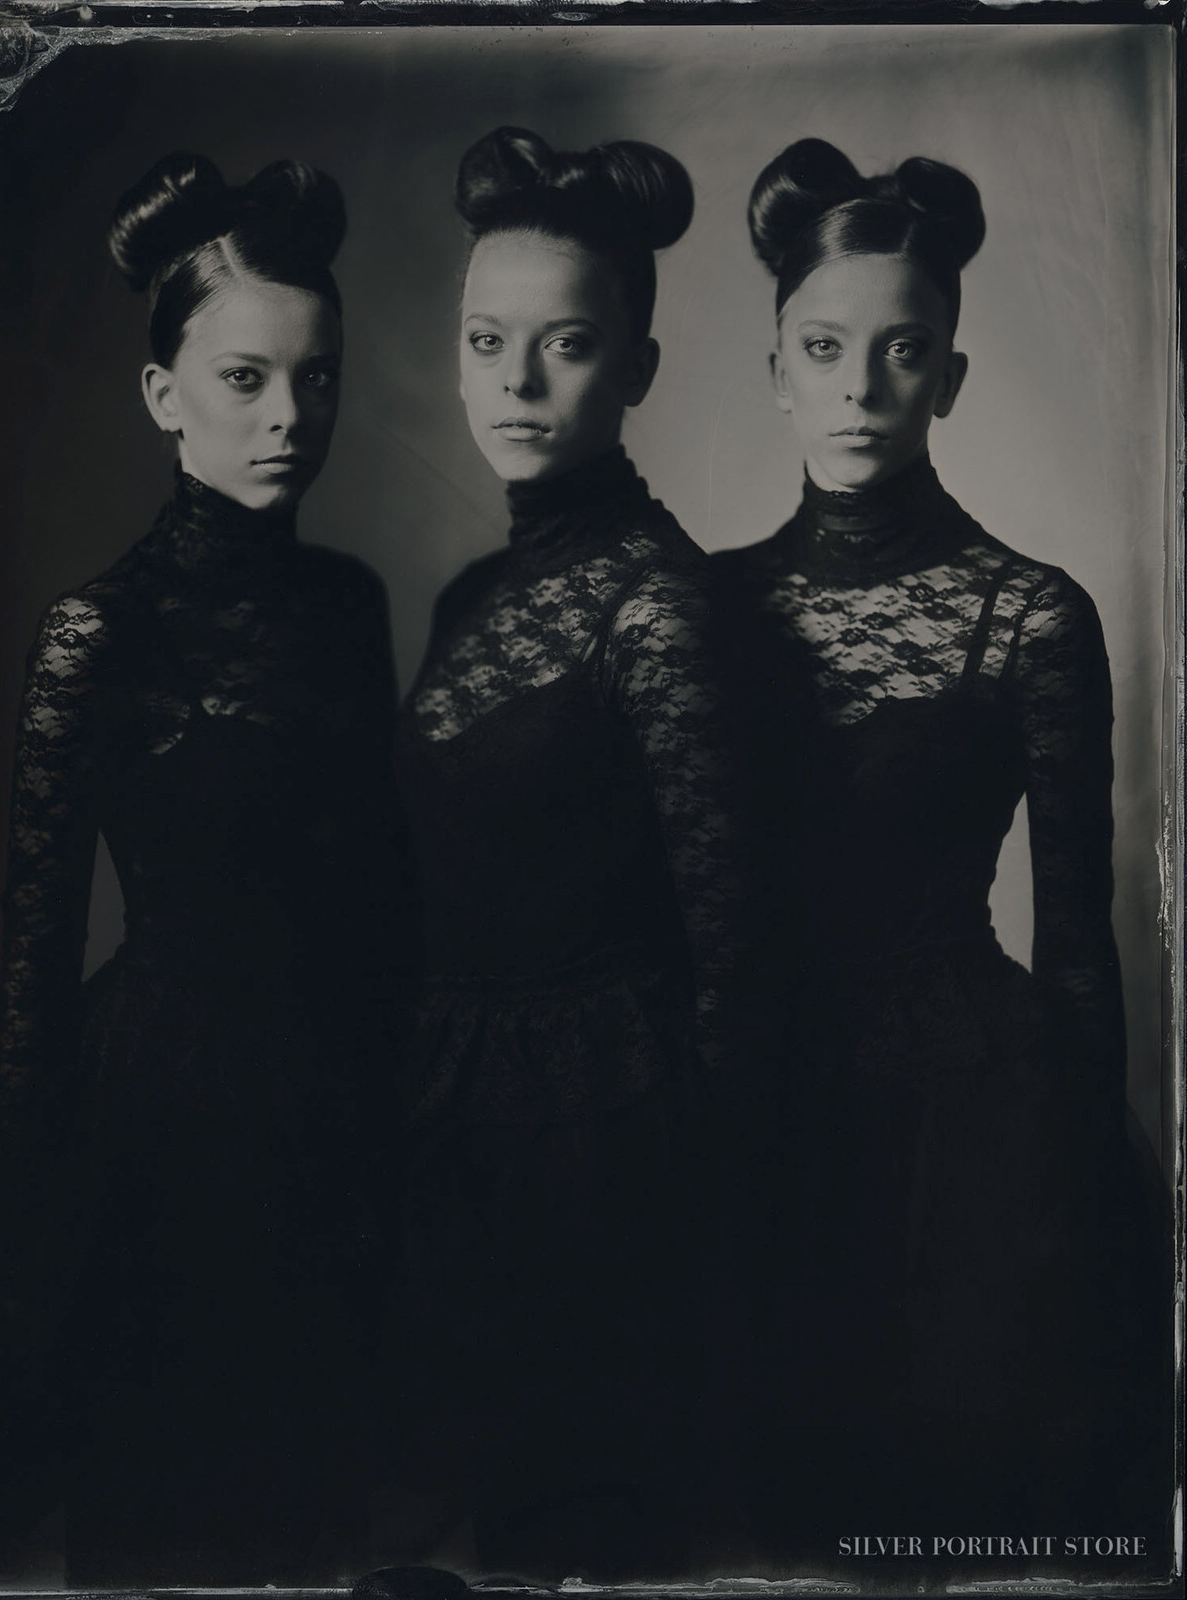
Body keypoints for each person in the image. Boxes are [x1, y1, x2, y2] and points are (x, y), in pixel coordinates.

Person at [712, 138, 1168, 1553]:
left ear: (949, 377)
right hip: (758, 1112)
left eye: (901, 350)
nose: (859, 388)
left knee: (952, 1519)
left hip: (970, 1128)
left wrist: (1088, 1198)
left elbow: (1081, 935)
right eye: (826, 347)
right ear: (776, 365)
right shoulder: (700, 611)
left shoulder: (1032, 614)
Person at [0, 151, 408, 1585]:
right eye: (246, 379)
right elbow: (30, 985)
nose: (292, 415)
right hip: (161, 1136)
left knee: (316, 1519)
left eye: (319, 377)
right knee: (169, 1529)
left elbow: (380, 901)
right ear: (163, 394)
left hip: (340, 1131)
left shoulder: (351, 609)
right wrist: (22, 1268)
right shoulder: (91, 636)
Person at [391, 126, 755, 1581]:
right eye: (488, 340)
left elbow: (726, 945)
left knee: (585, 1525)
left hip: (604, 1144)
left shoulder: (660, 602)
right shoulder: (476, 590)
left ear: (639, 373)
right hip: (460, 1117)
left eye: (566, 345)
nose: (516, 382)